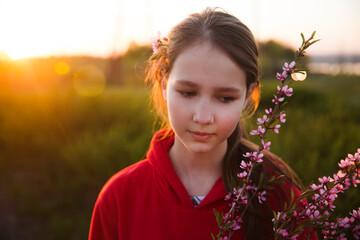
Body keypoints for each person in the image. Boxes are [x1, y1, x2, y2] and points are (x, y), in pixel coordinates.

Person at [89, 7, 317, 240]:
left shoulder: (274, 190)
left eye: (225, 98)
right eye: (188, 93)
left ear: (248, 95)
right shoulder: (119, 197)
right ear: (164, 85)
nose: (203, 117)